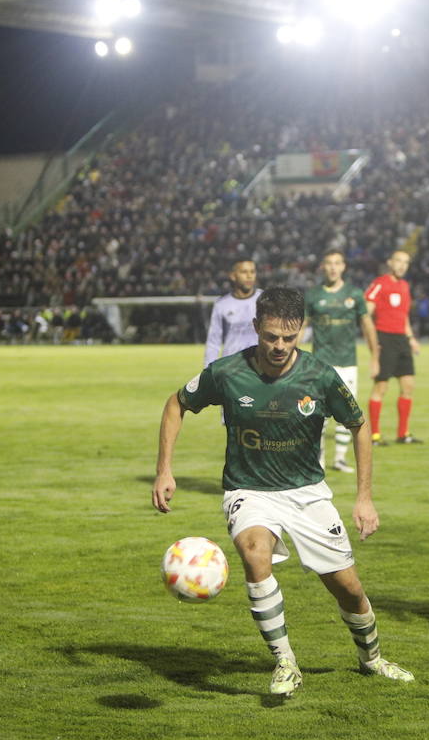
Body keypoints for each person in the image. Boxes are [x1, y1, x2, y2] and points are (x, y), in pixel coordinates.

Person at [153, 286, 413, 697]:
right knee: (255, 553)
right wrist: (164, 470)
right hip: (248, 489)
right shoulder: (226, 373)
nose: (279, 346)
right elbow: (176, 404)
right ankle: (286, 662)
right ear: (256, 327)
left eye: (289, 338)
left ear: (301, 331)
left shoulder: (319, 377)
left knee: (347, 587)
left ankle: (372, 658)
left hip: (307, 492)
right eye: (271, 336)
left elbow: (359, 426)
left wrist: (363, 497)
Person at [305, 250, 378, 474]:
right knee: (318, 413)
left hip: (347, 362)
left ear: (344, 267)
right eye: (329, 263)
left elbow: (367, 325)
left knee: (347, 411)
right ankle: (318, 462)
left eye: (337, 263)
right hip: (320, 363)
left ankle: (340, 458)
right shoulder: (313, 295)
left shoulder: (354, 294)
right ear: (323, 267)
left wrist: (375, 357)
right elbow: (301, 326)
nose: (333, 267)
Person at [364, 249, 421, 444]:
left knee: (408, 386)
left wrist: (411, 338)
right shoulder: (380, 284)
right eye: (399, 261)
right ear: (390, 262)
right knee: (381, 386)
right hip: (384, 338)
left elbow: (403, 315)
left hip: (401, 340)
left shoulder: (404, 286)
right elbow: (366, 314)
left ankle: (403, 434)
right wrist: (373, 344)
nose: (402, 265)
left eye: (406, 262)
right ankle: (375, 435)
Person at [204, 257, 261, 365]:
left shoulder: (265, 299)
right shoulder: (222, 304)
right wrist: (209, 370)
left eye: (252, 272)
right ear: (233, 276)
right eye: (244, 272)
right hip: (231, 366)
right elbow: (213, 342)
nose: (249, 276)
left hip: (260, 366)